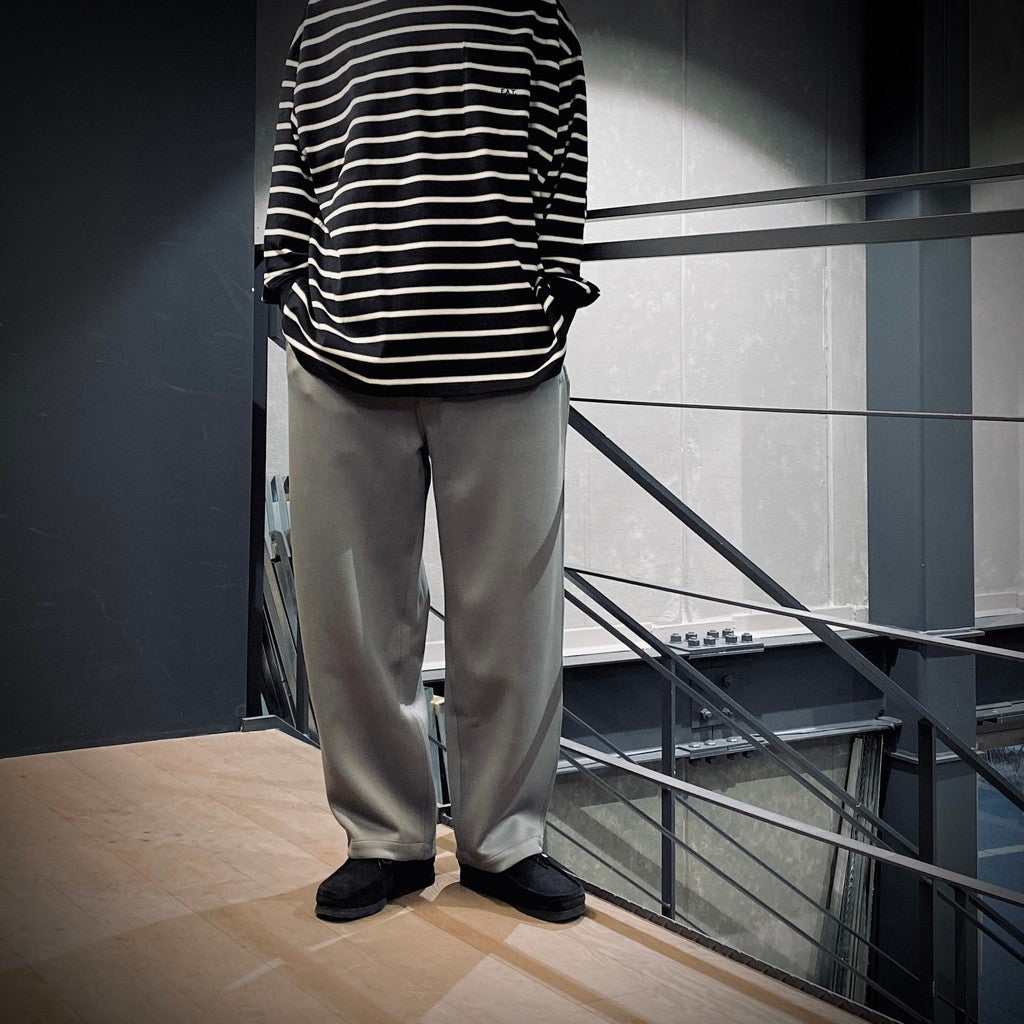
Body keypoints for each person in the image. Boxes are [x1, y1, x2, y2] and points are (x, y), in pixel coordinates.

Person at [261, 0, 600, 923]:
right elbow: (298, 160)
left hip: (505, 353)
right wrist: (287, 278)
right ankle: (386, 841)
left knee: (514, 618)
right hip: (341, 352)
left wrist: (552, 286)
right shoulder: (324, 21)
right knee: (354, 620)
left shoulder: (532, 14)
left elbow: (563, 154)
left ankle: (505, 844)